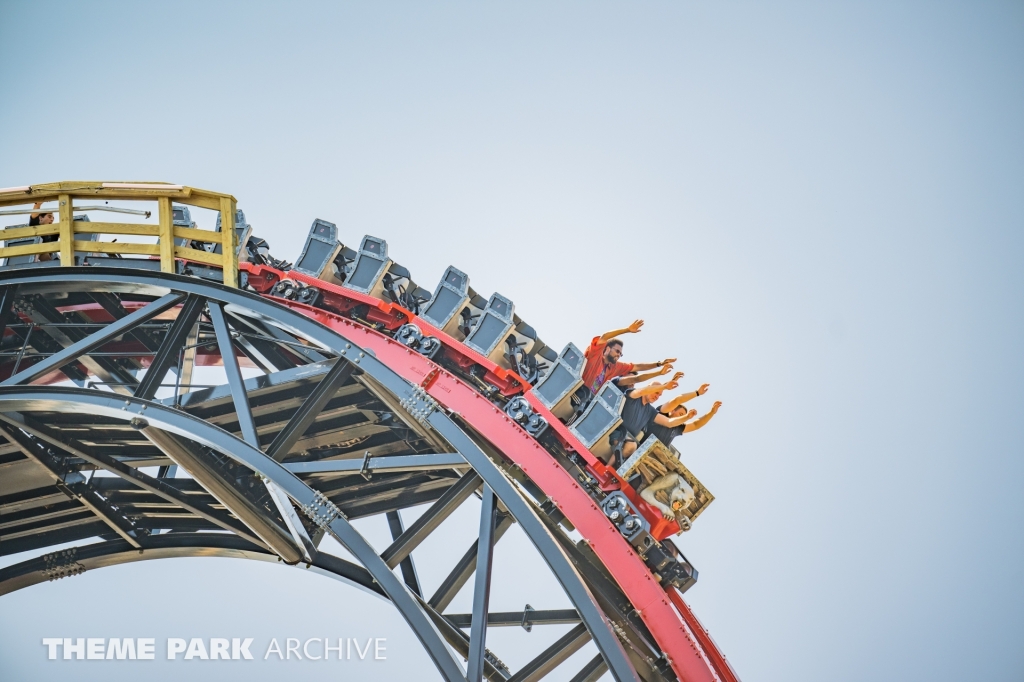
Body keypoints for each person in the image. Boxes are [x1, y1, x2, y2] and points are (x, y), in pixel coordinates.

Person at [581, 319, 675, 395]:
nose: (619, 355)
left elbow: (637, 367)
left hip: (584, 403)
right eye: (617, 351)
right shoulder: (596, 353)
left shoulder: (614, 367)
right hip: (577, 390)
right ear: (608, 349)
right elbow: (605, 336)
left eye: (620, 354)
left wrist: (659, 364)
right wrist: (627, 330)